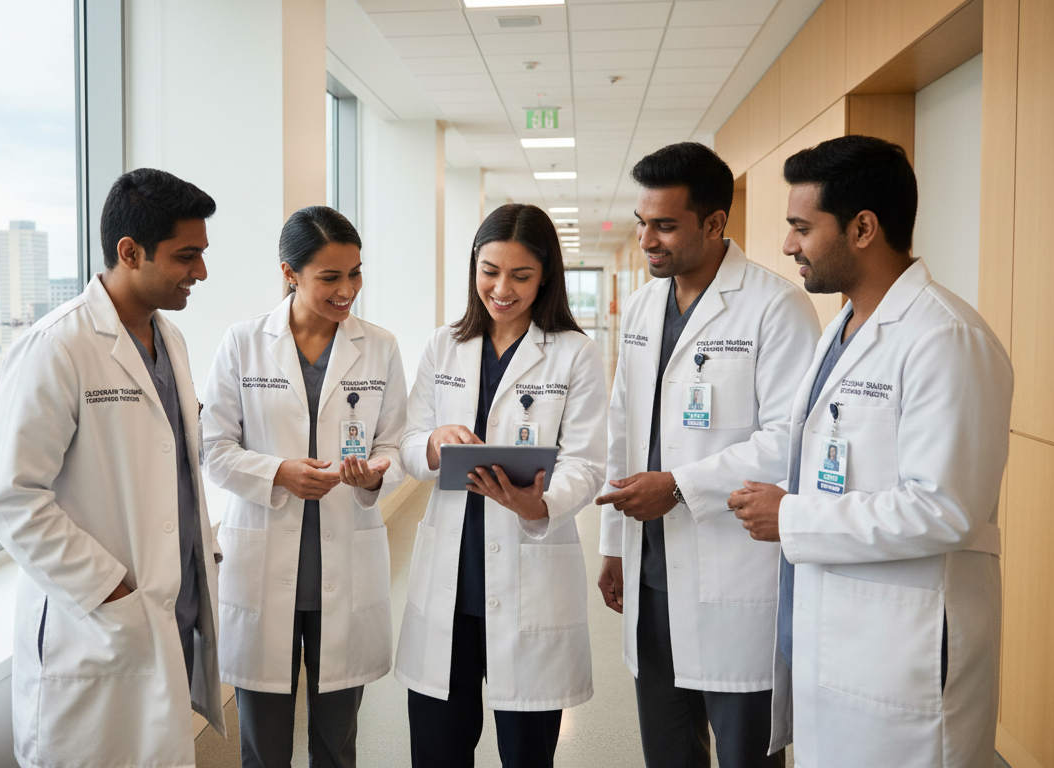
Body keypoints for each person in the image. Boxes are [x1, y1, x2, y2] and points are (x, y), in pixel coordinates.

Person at [728, 135, 1012, 768]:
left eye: (802, 227)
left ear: (863, 228)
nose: (787, 245)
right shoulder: (843, 327)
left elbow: (946, 508)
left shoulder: (946, 338)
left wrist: (792, 517)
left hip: (901, 653)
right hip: (841, 636)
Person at [0, 168, 225, 768]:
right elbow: (13, 499)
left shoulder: (170, 340)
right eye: (186, 256)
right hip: (98, 619)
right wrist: (109, 589)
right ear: (129, 252)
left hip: (163, 609)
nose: (200, 271)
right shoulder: (57, 347)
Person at [595, 143, 820, 768]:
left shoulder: (775, 307)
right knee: (668, 751)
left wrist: (677, 484)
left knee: (746, 753)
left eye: (665, 225)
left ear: (715, 223)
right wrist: (612, 543)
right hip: (650, 571)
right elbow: (624, 427)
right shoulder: (643, 306)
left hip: (734, 567)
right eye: (643, 223)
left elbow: (787, 440)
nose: (647, 240)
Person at [396, 203, 607, 768]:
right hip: (452, 578)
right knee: (438, 751)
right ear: (473, 267)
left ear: (546, 277)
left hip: (527, 569)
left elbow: (587, 463)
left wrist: (540, 505)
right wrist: (435, 444)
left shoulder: (575, 354)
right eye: (489, 271)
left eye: (521, 275)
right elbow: (409, 443)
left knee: (527, 755)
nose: (501, 289)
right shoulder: (444, 345)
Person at [202, 206, 407, 768]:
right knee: (264, 748)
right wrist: (278, 473)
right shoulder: (243, 343)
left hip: (344, 562)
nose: (348, 291)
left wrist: (375, 474)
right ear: (289, 272)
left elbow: (394, 445)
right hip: (264, 566)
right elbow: (213, 449)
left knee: (337, 746)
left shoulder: (380, 346)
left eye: (355, 273)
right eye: (331, 277)